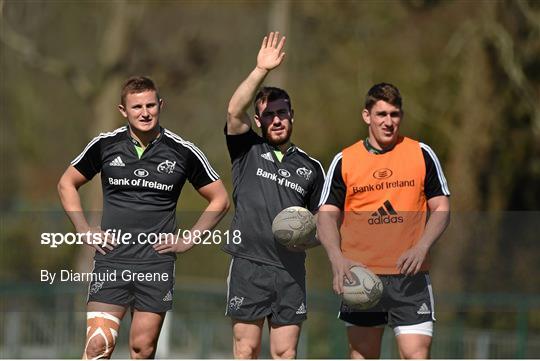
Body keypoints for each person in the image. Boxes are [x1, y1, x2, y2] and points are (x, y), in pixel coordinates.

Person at [57, 76, 229, 359]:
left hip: (156, 263)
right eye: (137, 107)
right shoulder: (105, 145)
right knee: (98, 345)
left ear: (161, 105)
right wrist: (83, 228)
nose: (145, 112)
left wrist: (189, 239)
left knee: (142, 349)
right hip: (112, 258)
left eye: (151, 105)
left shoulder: (182, 151)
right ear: (123, 110)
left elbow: (220, 199)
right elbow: (67, 183)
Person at [317, 83, 450, 359]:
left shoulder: (421, 154)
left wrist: (422, 246)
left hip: (410, 278)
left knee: (417, 354)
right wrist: (336, 258)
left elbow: (441, 208)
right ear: (367, 116)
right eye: (381, 115)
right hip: (362, 276)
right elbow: (326, 216)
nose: (388, 122)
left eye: (394, 114)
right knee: (362, 355)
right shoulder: (345, 160)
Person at [223, 32, 325, 359]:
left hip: (289, 270)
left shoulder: (311, 168)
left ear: (292, 116)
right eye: (269, 114)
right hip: (249, 265)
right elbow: (233, 110)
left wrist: (308, 238)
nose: (276, 119)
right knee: (246, 349)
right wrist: (260, 70)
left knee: (285, 353)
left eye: (282, 113)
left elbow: (326, 223)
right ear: (258, 120)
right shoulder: (246, 148)